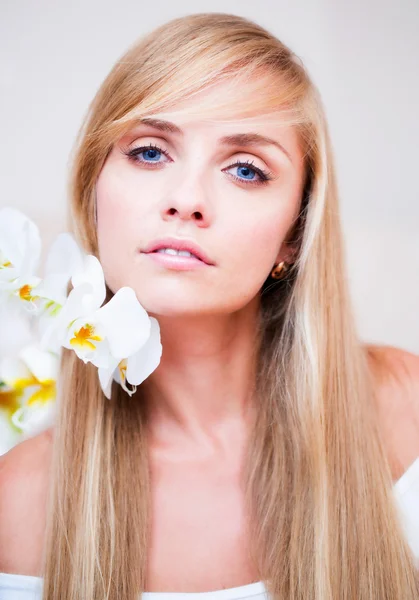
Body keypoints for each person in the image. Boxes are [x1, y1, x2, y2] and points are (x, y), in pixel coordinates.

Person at [1, 12, 419, 600]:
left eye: (246, 170)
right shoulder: (16, 506)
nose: (187, 199)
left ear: (294, 235)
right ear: (93, 190)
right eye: (149, 153)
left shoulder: (404, 411)